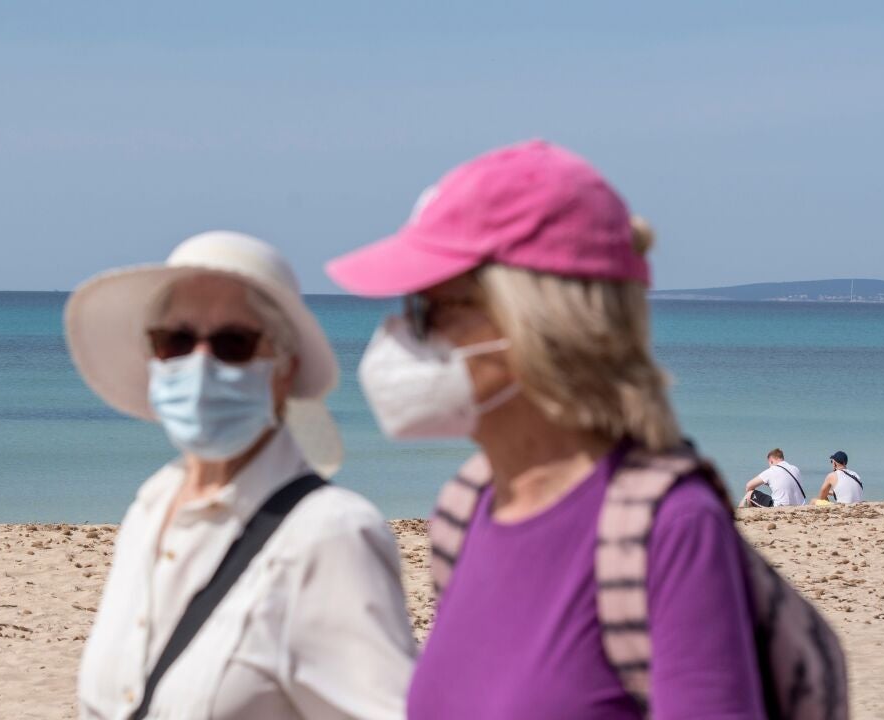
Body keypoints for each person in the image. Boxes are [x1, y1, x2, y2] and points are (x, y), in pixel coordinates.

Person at [327, 140, 764, 718]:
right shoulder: (464, 509)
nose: (399, 337)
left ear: (531, 319)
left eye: (428, 310)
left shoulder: (672, 529)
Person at [67, 231, 415, 719]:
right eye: (176, 341)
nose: (200, 363)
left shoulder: (329, 535)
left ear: (285, 370)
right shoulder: (150, 508)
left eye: (233, 344)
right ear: (153, 357)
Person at [740, 448, 806, 507]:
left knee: (750, 494)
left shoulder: (771, 470)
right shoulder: (795, 468)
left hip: (780, 506)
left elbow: (748, 486)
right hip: (800, 505)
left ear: (771, 461)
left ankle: (739, 512)